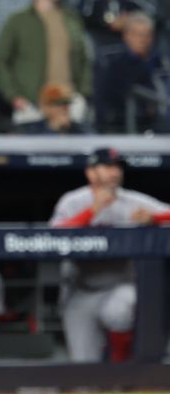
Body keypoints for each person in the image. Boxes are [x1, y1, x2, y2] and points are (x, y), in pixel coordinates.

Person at [50, 147, 170, 362]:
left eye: (117, 167)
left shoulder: (133, 201)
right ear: (91, 172)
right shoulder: (73, 201)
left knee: (122, 306)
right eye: (107, 167)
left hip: (118, 285)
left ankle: (120, 364)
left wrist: (155, 217)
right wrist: (91, 212)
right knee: (84, 368)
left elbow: (166, 213)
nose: (114, 172)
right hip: (80, 290)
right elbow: (51, 236)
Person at [0, 0, 91, 125]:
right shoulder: (18, 20)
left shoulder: (71, 18)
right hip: (32, 104)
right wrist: (14, 96)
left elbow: (84, 58)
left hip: (68, 104)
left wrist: (83, 93)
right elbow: (1, 60)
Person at [94, 12, 169, 134]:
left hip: (160, 124)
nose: (143, 39)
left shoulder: (160, 63)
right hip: (128, 127)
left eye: (147, 35)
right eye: (138, 34)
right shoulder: (115, 65)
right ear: (126, 35)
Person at [18, 82, 92, 135]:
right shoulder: (30, 130)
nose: (65, 107)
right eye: (59, 103)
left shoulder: (80, 129)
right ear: (45, 106)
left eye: (67, 103)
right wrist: (52, 129)